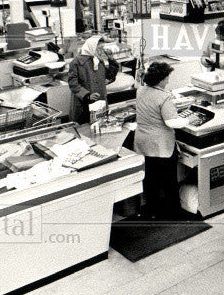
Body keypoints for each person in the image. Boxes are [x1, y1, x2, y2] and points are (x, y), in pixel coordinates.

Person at [133, 61, 190, 220]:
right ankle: (173, 213)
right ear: (161, 79)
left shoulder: (141, 91)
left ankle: (151, 210)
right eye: (167, 78)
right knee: (169, 180)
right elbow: (172, 122)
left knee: (150, 178)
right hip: (160, 145)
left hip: (143, 142)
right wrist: (188, 120)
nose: (168, 81)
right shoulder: (164, 97)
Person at [67, 35, 119, 124]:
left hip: (100, 102)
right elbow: (73, 83)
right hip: (84, 104)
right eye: (99, 48)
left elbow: (110, 75)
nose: (101, 51)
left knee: (100, 125)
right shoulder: (76, 62)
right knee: (85, 129)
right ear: (92, 47)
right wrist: (87, 95)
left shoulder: (98, 61)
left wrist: (111, 60)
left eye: (102, 48)